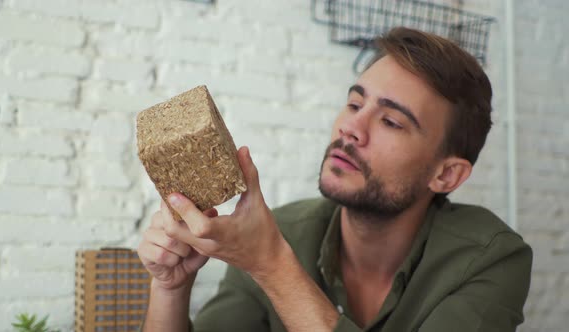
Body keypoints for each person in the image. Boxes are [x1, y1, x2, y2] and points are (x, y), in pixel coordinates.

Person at [137, 27, 532, 332]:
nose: (352, 128)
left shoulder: (491, 259)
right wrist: (171, 288)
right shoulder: (278, 232)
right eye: (355, 103)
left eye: (391, 121)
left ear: (446, 174)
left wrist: (272, 264)